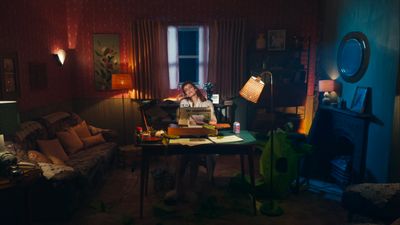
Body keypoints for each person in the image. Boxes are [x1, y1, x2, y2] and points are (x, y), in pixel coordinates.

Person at [165, 81, 217, 203]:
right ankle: (178, 189)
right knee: (182, 156)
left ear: (195, 88)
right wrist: (192, 118)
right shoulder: (184, 102)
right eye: (185, 89)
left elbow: (214, 122)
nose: (188, 90)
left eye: (189, 87)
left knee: (193, 155)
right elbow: (183, 121)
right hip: (187, 134)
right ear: (185, 93)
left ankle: (191, 189)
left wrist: (203, 122)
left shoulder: (207, 102)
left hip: (201, 134)